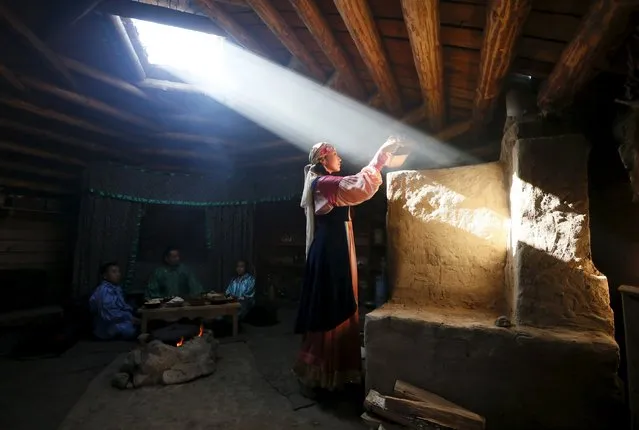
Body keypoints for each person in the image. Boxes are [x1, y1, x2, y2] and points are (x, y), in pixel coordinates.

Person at [293, 137, 403, 394]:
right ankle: (326, 372)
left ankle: (340, 369)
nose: (339, 159)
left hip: (337, 245)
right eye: (335, 155)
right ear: (323, 160)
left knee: (339, 299)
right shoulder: (323, 183)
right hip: (332, 250)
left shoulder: (322, 183)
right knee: (332, 302)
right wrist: (380, 157)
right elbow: (359, 186)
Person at [89, 262, 139, 340]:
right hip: (107, 329)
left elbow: (122, 306)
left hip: (118, 322)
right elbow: (109, 314)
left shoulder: (116, 288)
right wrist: (129, 317)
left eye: (118, 272)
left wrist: (132, 315)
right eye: (114, 272)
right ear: (105, 276)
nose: (118, 274)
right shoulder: (104, 290)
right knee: (136, 332)